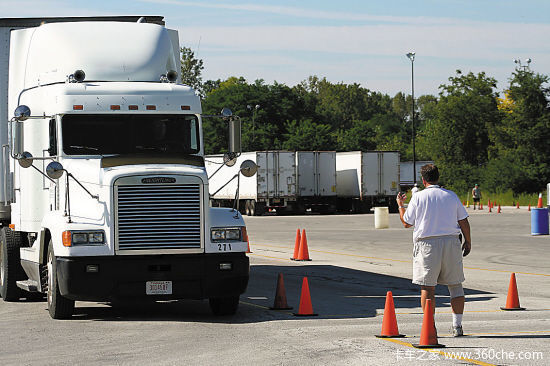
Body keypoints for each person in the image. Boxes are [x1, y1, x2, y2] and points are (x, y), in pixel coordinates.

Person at [396, 164, 472, 337]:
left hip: (427, 245)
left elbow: (407, 222)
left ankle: (430, 326)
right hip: (451, 242)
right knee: (456, 286)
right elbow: (464, 221)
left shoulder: (418, 197)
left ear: (423, 180)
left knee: (428, 288)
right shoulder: (451, 196)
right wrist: (468, 241)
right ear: (438, 177)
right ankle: (457, 326)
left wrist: (401, 205)